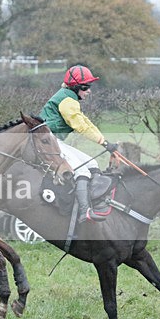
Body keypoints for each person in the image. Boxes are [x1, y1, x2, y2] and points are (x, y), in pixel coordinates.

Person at [39, 65, 120, 223]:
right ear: (75, 87)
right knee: (81, 170)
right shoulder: (67, 101)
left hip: (54, 140)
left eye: (89, 86)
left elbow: (86, 122)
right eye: (85, 87)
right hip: (48, 142)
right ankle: (84, 211)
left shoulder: (70, 99)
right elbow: (80, 126)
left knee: (92, 163)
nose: (88, 91)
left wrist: (105, 141)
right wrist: (104, 143)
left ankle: (96, 202)